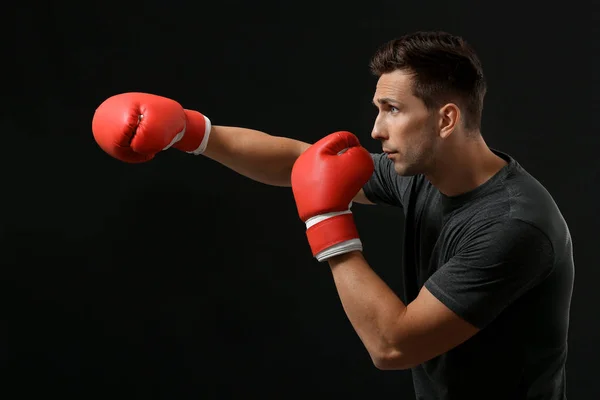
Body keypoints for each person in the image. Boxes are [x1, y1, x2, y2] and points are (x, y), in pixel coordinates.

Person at [91, 31, 574, 399]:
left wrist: (327, 220)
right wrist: (192, 131)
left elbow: (393, 347)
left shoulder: (513, 226)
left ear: (446, 118)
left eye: (392, 109)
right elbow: (300, 162)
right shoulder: (422, 174)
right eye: (378, 108)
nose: (377, 129)